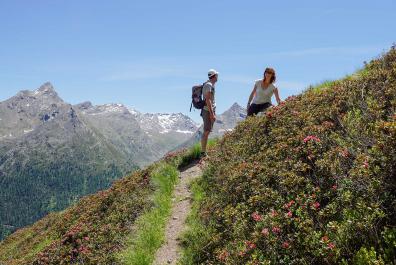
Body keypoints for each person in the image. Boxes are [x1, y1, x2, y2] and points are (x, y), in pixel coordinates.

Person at [201, 69, 218, 157]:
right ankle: (203, 153)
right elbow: (208, 100)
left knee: (207, 131)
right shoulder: (208, 85)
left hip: (208, 110)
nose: (217, 77)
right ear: (214, 76)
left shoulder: (209, 85)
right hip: (207, 111)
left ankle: (204, 151)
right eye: (217, 75)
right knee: (206, 131)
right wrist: (212, 114)